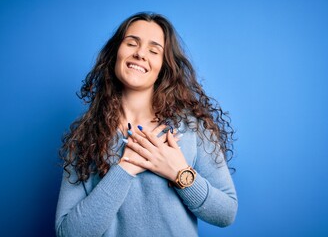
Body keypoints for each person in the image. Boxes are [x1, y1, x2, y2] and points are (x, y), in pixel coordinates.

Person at [55, 12, 238, 237]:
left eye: (154, 50)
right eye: (132, 43)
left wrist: (179, 173)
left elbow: (226, 213)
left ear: (164, 66)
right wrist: (125, 167)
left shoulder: (191, 128)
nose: (140, 53)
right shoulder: (86, 135)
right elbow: (67, 233)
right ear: (115, 54)